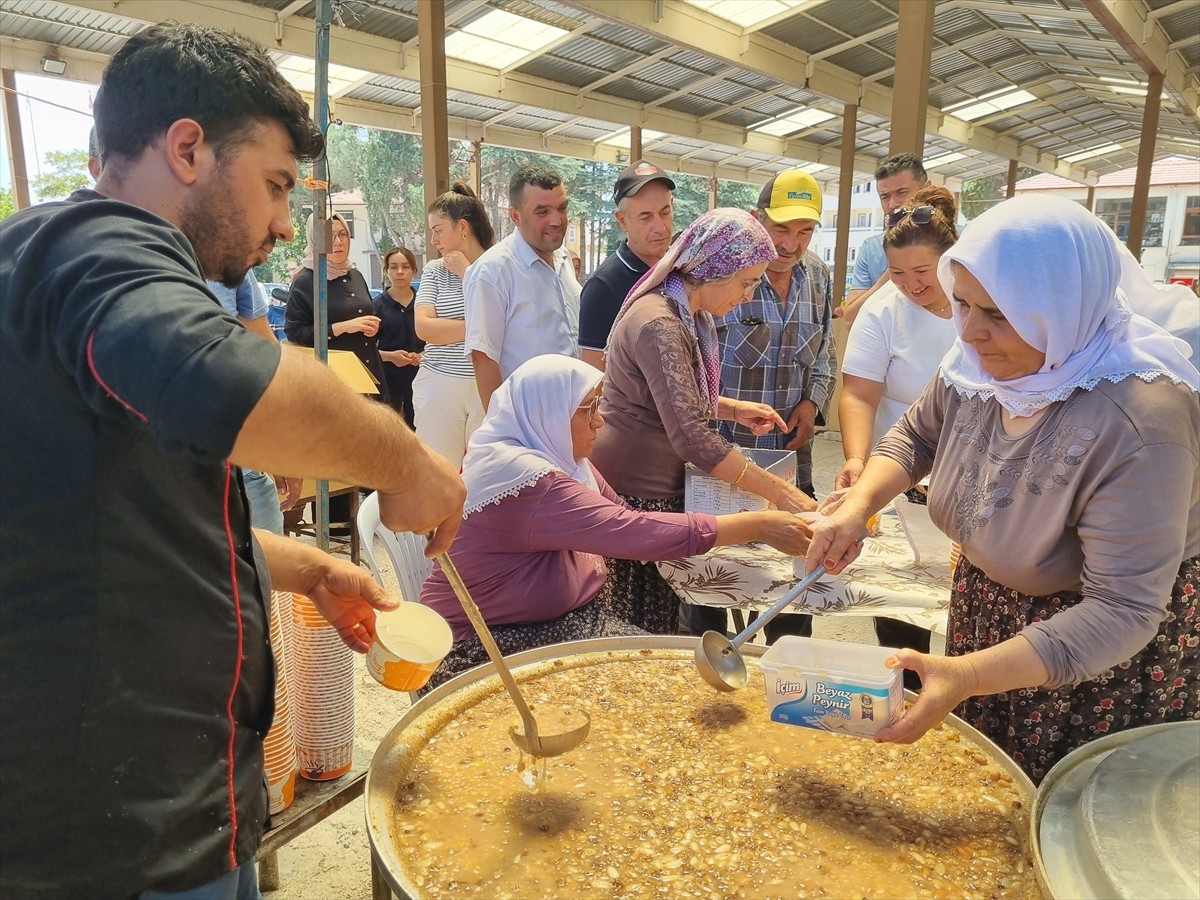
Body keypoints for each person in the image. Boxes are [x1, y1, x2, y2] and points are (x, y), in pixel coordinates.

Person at [0, 24, 465, 898]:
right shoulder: (89, 247)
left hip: (181, 801)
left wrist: (300, 564)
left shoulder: (93, 283)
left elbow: (121, 522)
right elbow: (219, 381)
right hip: (114, 828)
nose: (284, 225)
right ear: (186, 148)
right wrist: (407, 463)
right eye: (276, 186)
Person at [806, 195, 1199, 784]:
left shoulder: (1138, 423)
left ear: (1063, 307)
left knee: (1046, 806)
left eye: (998, 313)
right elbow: (915, 434)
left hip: (1085, 659)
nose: (970, 332)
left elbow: (1122, 609)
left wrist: (966, 676)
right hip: (990, 614)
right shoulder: (979, 365)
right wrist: (859, 505)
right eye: (961, 305)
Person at [420, 354, 813, 688]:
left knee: (673, 669)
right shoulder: (525, 477)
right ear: (547, 413)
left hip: (552, 623)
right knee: (669, 682)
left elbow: (626, 517)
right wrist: (760, 525)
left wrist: (741, 524)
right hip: (486, 645)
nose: (599, 421)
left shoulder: (559, 460)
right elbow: (636, 533)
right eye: (588, 409)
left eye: (598, 405)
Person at [589, 209, 816, 636]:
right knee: (642, 625)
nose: (749, 296)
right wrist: (784, 494)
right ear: (715, 269)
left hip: (655, 482)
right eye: (747, 282)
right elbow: (692, 437)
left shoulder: (684, 311)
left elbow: (676, 399)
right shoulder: (660, 322)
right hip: (638, 491)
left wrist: (731, 409)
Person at [834, 186, 961, 681]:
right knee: (902, 606)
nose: (911, 285)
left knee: (966, 603)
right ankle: (907, 687)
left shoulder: (984, 302)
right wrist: (858, 460)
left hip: (975, 473)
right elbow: (860, 394)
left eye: (924, 272)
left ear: (950, 259)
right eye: (899, 273)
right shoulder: (883, 309)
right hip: (905, 470)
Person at [463, 164, 581, 410]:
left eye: (562, 208)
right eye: (542, 211)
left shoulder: (564, 259)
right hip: (528, 421)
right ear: (515, 216)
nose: (556, 220)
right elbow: (483, 357)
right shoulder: (493, 271)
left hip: (576, 413)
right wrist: (501, 430)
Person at [413, 182, 494, 464]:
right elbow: (424, 328)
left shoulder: (496, 266)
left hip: (487, 383)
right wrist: (477, 327)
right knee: (439, 473)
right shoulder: (434, 270)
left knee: (484, 474)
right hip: (438, 382)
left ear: (462, 226)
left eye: (438, 231)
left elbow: (505, 322)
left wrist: (468, 274)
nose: (433, 240)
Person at [578, 159, 676, 370]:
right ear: (622, 220)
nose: (659, 226)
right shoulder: (604, 287)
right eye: (645, 217)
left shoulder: (682, 271)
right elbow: (594, 377)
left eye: (665, 212)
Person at [285, 212, 390, 405]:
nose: (338, 242)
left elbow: (365, 316)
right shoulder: (306, 280)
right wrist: (341, 327)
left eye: (343, 234)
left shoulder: (356, 275)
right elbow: (295, 333)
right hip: (334, 383)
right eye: (329, 236)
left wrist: (372, 327)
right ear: (315, 240)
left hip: (370, 373)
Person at [840, 154, 930, 326]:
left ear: (927, 189)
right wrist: (895, 272)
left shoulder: (958, 241)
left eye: (902, 192)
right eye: (885, 196)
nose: (893, 204)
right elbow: (850, 318)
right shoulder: (872, 247)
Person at [374, 246, 424, 428]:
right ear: (386, 271)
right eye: (394, 267)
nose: (400, 272)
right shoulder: (376, 306)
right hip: (388, 382)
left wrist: (422, 356)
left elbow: (439, 342)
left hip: (422, 380)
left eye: (406, 267)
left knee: (420, 432)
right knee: (390, 432)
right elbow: (366, 348)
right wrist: (390, 356)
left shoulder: (425, 304)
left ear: (414, 271)